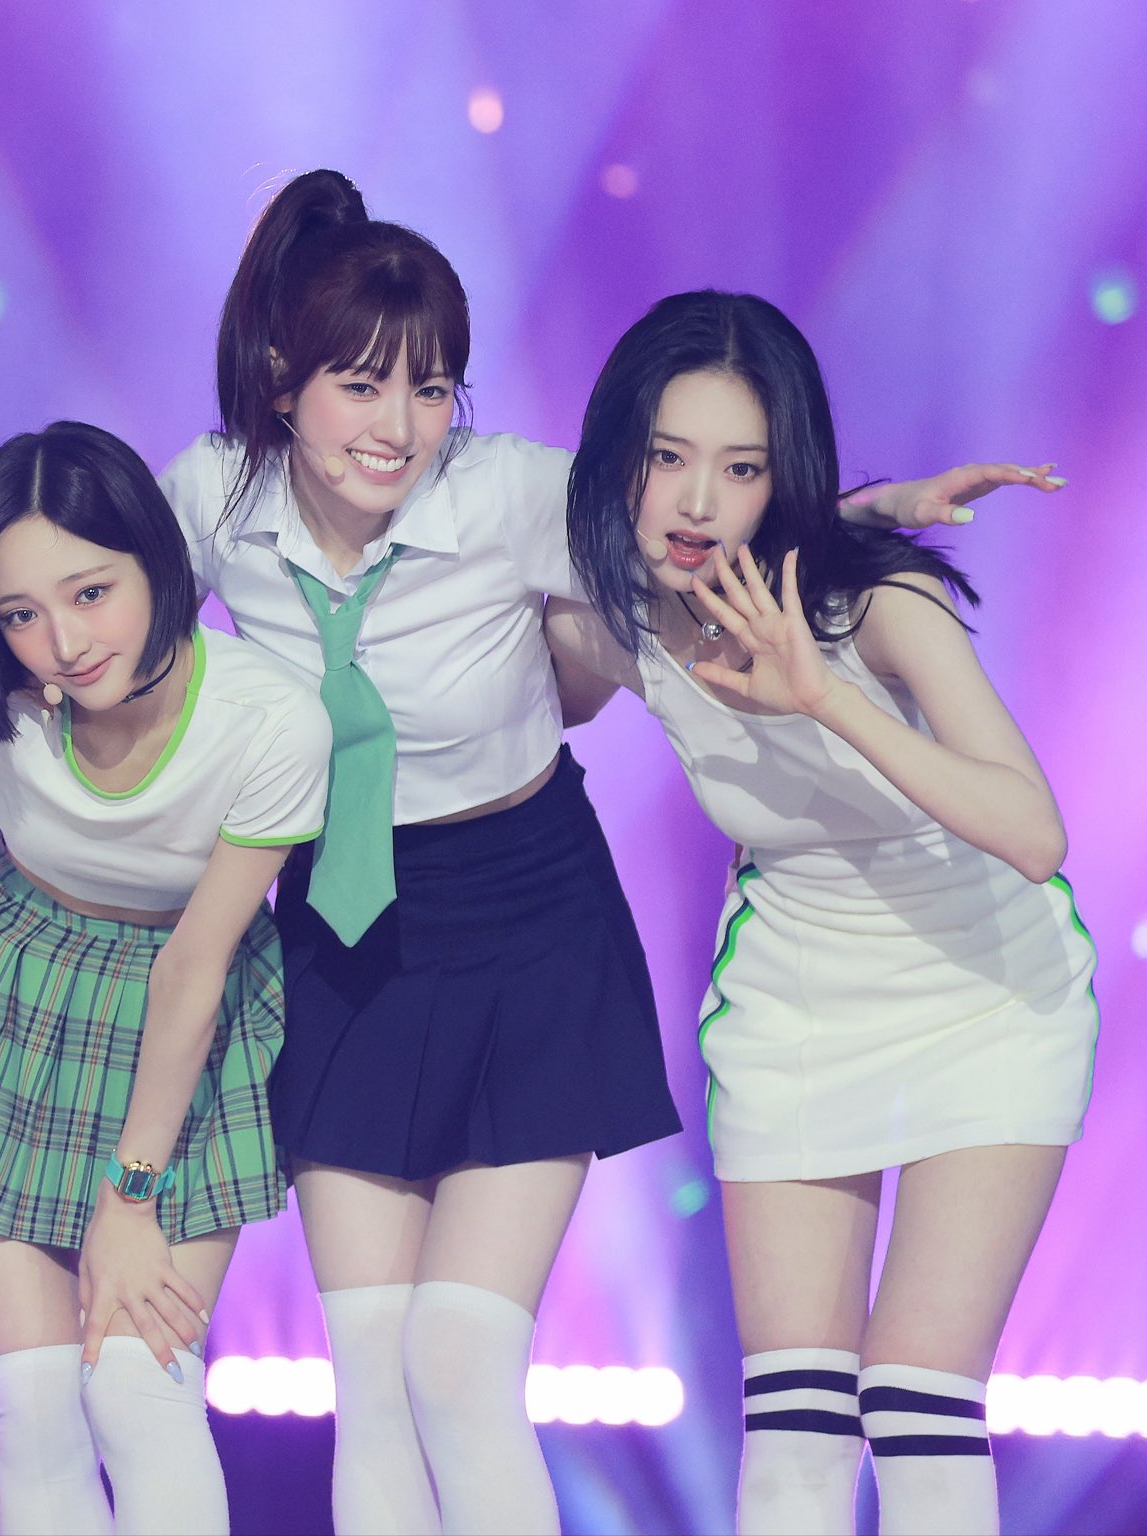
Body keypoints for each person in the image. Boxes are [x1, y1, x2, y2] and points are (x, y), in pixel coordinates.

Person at [158, 169, 1064, 1536]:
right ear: (283, 382)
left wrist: (850, 581)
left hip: (843, 966)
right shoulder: (230, 502)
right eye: (360, 385)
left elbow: (1029, 827)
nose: (397, 427)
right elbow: (91, 601)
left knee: (882, 1401)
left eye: (429, 389)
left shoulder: (560, 511)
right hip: (428, 939)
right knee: (423, 1385)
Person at [546, 289, 1096, 1536]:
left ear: (779, 476)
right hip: (796, 996)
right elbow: (549, 675)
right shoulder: (619, 614)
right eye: (667, 458)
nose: (697, 502)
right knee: (791, 1430)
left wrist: (824, 698)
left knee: (913, 1401)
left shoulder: (876, 603)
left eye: (741, 469)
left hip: (985, 992)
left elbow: (1033, 835)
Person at [0, 421, 331, 1535]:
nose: (62, 643)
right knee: (37, 1413)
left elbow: (194, 964)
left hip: (183, 1022)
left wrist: (128, 1199)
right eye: (20, 613)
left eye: (92, 593)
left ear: (155, 559)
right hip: (17, 998)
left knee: (138, 1391)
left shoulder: (268, 718)